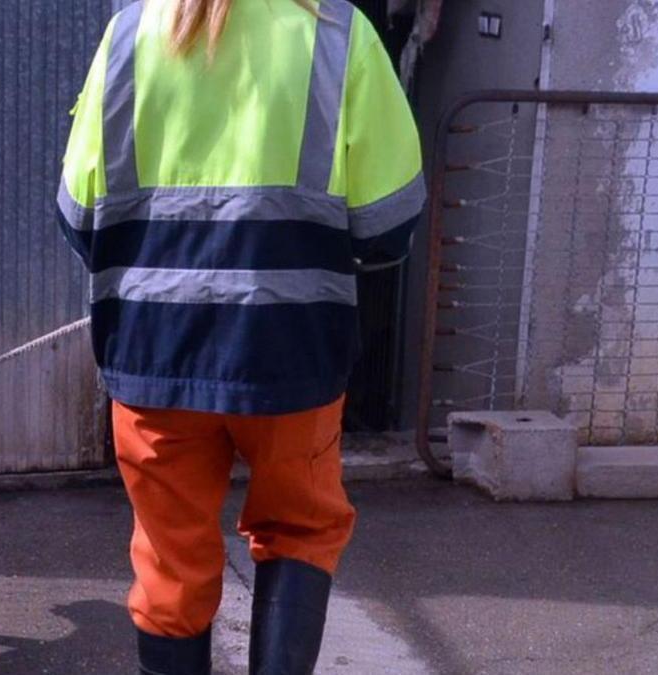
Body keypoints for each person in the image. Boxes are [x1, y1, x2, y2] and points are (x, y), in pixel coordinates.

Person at [56, 0, 424, 673]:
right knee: (300, 532)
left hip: (155, 354)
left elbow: (78, 214)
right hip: (291, 352)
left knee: (170, 564)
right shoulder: (339, 33)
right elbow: (389, 226)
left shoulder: (131, 32)